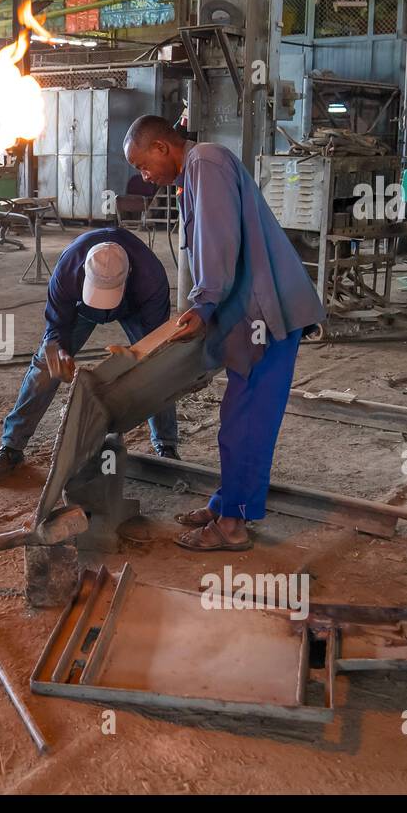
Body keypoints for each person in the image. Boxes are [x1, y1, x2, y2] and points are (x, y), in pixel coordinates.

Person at [122, 115, 325, 551]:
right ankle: (228, 502)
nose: (144, 176)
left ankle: (233, 525)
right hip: (254, 314)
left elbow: (219, 242)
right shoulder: (195, 172)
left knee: (245, 423)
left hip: (267, 315)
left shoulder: (204, 163)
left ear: (162, 147)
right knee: (243, 419)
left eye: (142, 165)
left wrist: (204, 303)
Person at [0, 226, 179, 481]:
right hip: (80, 307)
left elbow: (155, 343)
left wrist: (135, 363)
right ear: (84, 272)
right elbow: (56, 326)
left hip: (134, 307)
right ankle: (11, 447)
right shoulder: (67, 270)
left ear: (128, 274)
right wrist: (60, 352)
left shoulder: (151, 278)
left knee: (158, 370)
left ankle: (166, 446)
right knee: (45, 366)